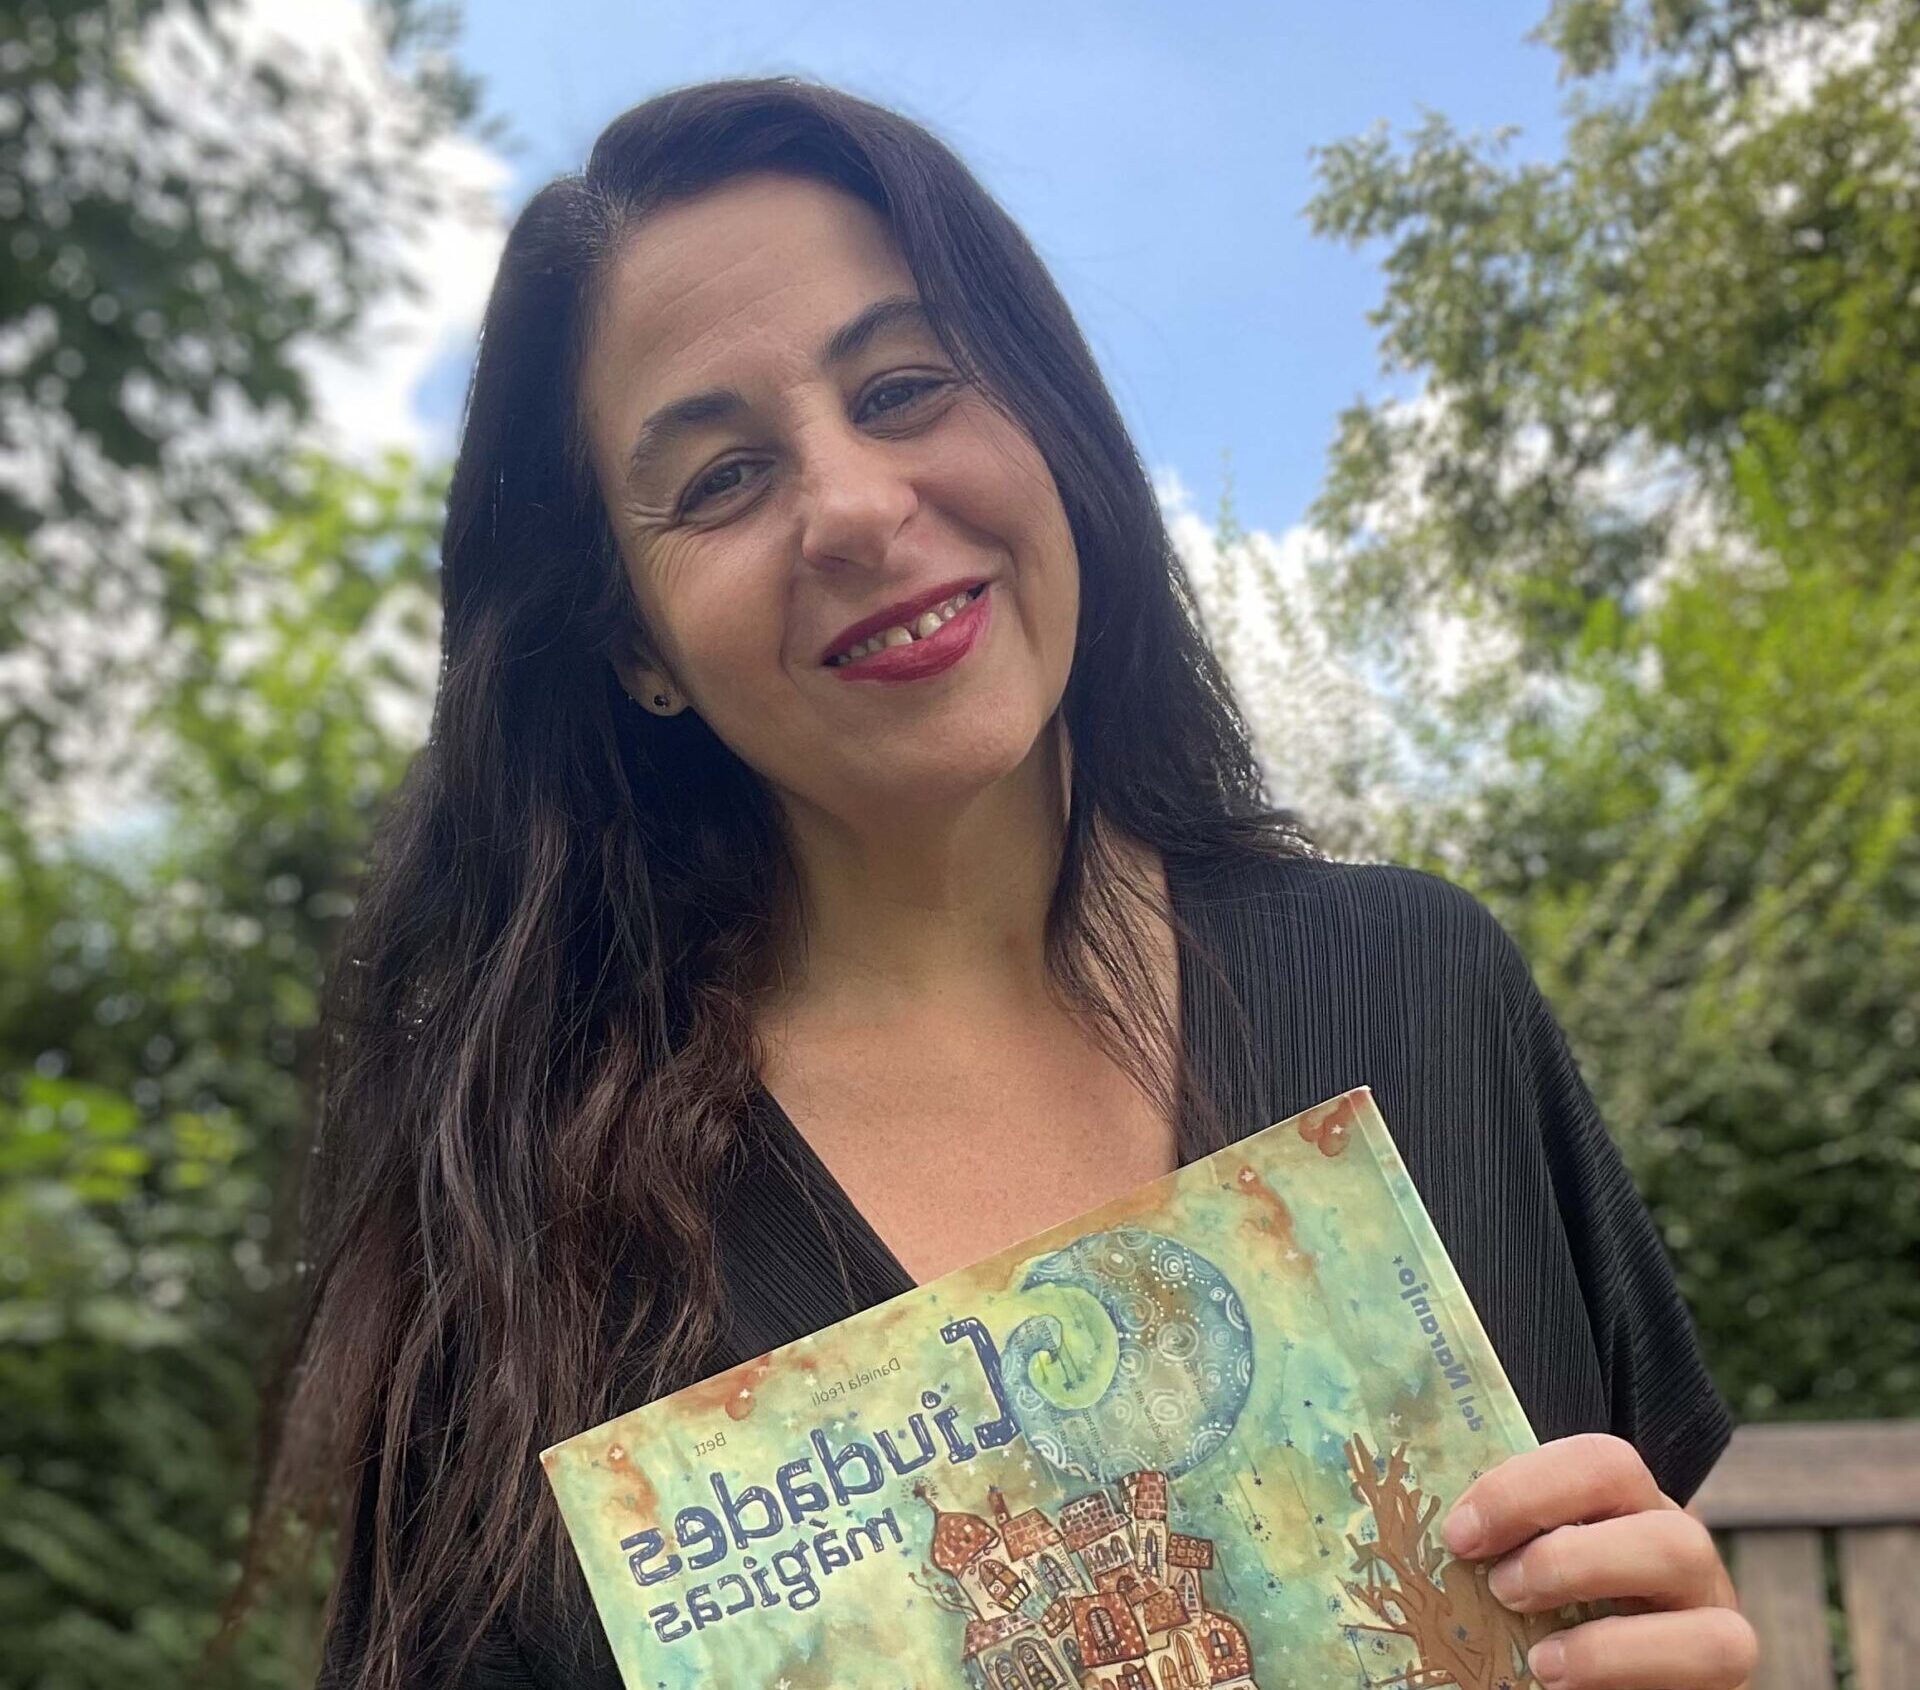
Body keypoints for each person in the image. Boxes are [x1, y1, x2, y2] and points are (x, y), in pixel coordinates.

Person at [239, 76, 1756, 1690]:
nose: (853, 506)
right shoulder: (527, 1230)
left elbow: (1624, 1588)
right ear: (635, 644)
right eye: (723, 477)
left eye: (903, 386)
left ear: (1046, 420)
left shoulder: (1423, 987)